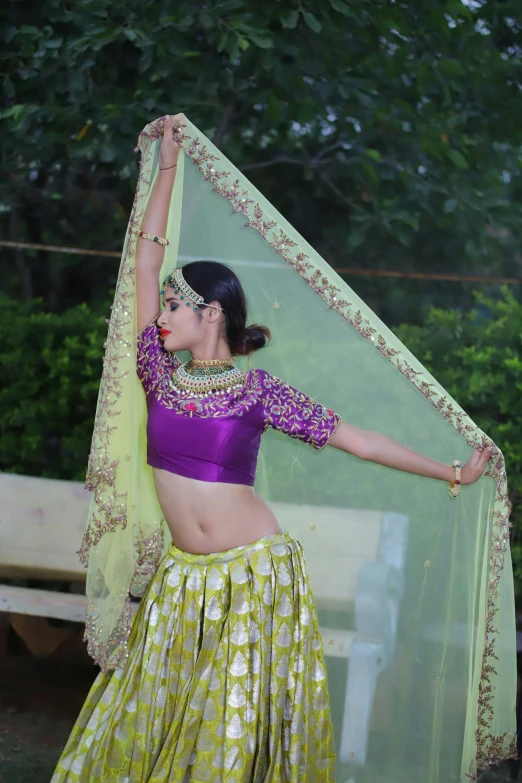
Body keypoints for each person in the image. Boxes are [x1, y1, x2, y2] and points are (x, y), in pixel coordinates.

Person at [51, 116, 494, 783]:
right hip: (180, 585)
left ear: (214, 314)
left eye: (177, 304)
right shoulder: (155, 373)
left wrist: (452, 470)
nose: (162, 313)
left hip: (253, 578)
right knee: (149, 720)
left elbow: (361, 441)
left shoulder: (260, 393)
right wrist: (168, 166)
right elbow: (145, 259)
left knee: (229, 739)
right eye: (163, 304)